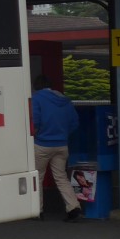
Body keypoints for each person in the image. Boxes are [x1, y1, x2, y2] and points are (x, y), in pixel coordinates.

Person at [31, 74, 82, 221]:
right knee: (61, 177)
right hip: (61, 145)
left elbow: (35, 120)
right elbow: (74, 122)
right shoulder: (64, 100)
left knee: (37, 177)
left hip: (42, 144)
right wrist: (63, 134)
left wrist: (38, 134)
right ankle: (74, 207)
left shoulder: (37, 98)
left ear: (36, 86)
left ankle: (37, 210)